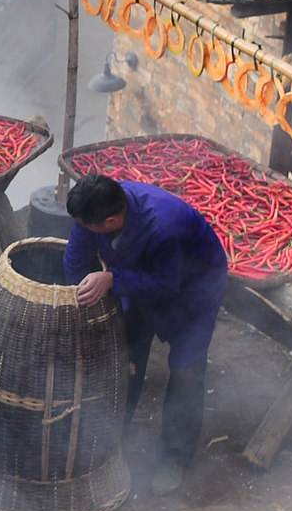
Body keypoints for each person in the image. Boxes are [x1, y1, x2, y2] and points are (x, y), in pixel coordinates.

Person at [63, 169, 230, 467]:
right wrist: (84, 302)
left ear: (111, 222)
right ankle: (112, 439)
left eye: (88, 227)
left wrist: (113, 279)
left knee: (185, 371)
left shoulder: (165, 227)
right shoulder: (93, 209)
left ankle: (175, 458)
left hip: (193, 291)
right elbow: (76, 259)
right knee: (125, 358)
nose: (83, 230)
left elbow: (166, 286)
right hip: (134, 278)